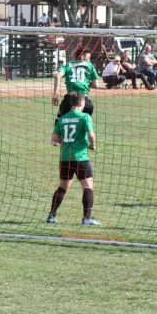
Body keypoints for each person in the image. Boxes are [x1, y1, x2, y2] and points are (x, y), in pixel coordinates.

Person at [47, 92, 100, 225]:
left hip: (64, 159)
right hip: (80, 158)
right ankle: (87, 218)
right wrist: (93, 145)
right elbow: (91, 135)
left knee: (63, 187)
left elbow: (54, 138)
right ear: (82, 103)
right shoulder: (85, 117)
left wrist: (57, 142)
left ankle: (51, 216)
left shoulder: (62, 118)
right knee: (88, 186)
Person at [53, 49, 99, 124]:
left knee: (60, 122)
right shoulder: (89, 65)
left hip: (69, 100)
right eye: (88, 58)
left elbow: (58, 76)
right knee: (85, 125)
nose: (89, 60)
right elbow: (96, 85)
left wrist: (55, 95)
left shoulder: (67, 64)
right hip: (84, 100)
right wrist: (85, 83)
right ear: (82, 57)